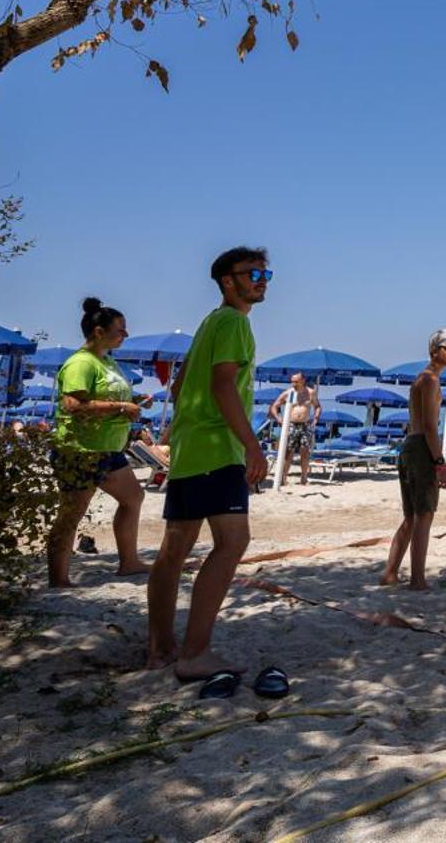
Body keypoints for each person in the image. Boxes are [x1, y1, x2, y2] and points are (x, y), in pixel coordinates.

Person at [146, 247, 271, 681]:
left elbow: (180, 389)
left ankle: (160, 648)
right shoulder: (234, 323)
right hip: (217, 452)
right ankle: (194, 653)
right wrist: (252, 446)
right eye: (252, 273)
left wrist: (184, 432)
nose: (262, 279)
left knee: (174, 552)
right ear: (227, 281)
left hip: (189, 451)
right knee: (232, 543)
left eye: (265, 272)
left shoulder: (209, 323)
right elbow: (222, 387)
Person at [47, 300, 150, 586]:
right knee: (71, 514)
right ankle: (58, 580)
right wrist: (120, 407)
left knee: (133, 498)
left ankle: (129, 563)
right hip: (80, 449)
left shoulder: (107, 360)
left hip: (109, 447)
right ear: (98, 331)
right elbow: (72, 404)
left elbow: (107, 398)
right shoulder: (81, 362)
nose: (125, 334)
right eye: (120, 330)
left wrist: (131, 403)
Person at [383, 329, 446, 589]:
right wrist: (440, 464)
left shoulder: (422, 379)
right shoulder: (429, 380)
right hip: (420, 448)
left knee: (411, 517)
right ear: (434, 351)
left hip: (410, 446)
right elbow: (430, 427)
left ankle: (390, 573)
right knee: (424, 516)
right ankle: (417, 579)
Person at [273, 372, 319, 486]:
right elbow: (274, 406)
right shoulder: (288, 393)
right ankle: (284, 477)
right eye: (292, 381)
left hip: (305, 424)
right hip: (291, 424)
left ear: (303, 380)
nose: (293, 384)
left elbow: (317, 406)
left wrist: (316, 418)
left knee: (305, 451)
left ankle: (304, 477)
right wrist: (278, 418)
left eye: (296, 381)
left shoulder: (310, 393)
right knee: (288, 452)